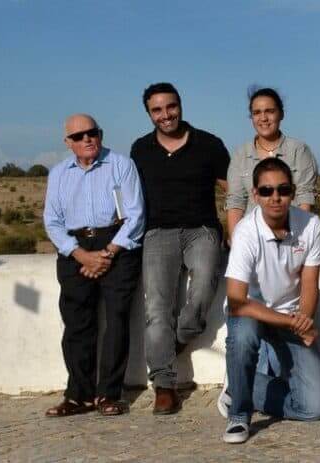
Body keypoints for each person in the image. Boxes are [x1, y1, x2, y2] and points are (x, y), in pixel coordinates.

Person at [131, 82, 230, 414]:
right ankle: (163, 384)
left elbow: (232, 190)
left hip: (202, 230)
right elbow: (131, 198)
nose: (165, 115)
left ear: (180, 105)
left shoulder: (209, 144)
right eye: (157, 110)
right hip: (157, 233)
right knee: (157, 308)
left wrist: (234, 228)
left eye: (170, 107)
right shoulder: (140, 149)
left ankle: (176, 340)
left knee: (203, 287)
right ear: (149, 113)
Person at [42, 114, 145, 417]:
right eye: (79, 136)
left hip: (117, 245)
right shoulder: (59, 174)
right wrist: (80, 254)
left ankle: (108, 394)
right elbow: (52, 221)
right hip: (75, 251)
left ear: (100, 134)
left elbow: (135, 214)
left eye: (92, 132)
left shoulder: (121, 165)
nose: (87, 139)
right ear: (68, 142)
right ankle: (78, 395)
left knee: (116, 321)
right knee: (77, 324)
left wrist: (107, 253)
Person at [219, 158, 320, 443]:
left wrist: (303, 320)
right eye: (266, 191)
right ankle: (239, 414)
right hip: (251, 312)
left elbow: (309, 282)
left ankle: (241, 387)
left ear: (292, 191)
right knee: (242, 340)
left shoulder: (310, 224)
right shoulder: (245, 231)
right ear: (255, 195)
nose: (275, 197)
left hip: (290, 315)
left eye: (283, 189)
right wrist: (294, 322)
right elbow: (237, 300)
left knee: (314, 408)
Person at [225, 86, 318, 239]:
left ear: (281, 114)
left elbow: (305, 197)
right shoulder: (240, 154)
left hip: (291, 236)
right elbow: (236, 201)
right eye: (257, 113)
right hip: (252, 239)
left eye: (269, 111)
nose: (263, 118)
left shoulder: (299, 151)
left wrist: (296, 240)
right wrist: (236, 243)